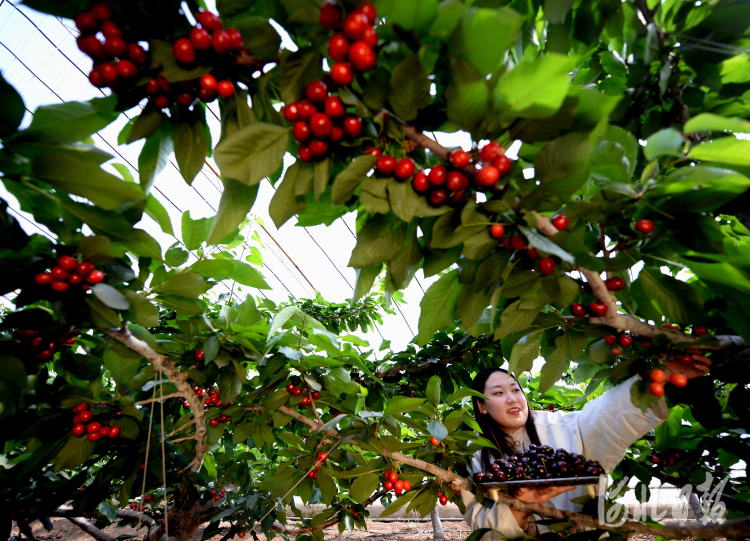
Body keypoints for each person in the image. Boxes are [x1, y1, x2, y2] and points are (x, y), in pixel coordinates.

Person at [456, 354, 712, 539]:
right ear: (481, 406)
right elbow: (485, 530)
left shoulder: (561, 425)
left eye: (515, 389)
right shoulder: (473, 456)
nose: (512, 398)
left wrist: (652, 379)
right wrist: (520, 505)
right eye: (499, 393)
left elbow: (600, 419)